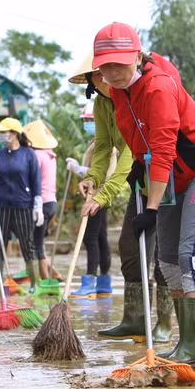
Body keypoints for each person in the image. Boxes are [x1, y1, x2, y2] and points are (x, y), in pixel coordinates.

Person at [92, 22, 195, 368]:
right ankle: (186, 345)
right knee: (167, 262)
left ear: (137, 56)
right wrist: (139, 163)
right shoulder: (118, 93)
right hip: (170, 178)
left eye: (120, 63)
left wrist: (151, 209)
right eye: (106, 65)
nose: (113, 72)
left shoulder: (159, 88)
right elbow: (139, 140)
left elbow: (165, 148)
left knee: (190, 258)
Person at [68, 52, 174, 344]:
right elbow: (103, 147)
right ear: (92, 79)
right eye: (101, 73)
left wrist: (104, 196)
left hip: (166, 181)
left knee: (163, 253)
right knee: (130, 246)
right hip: (139, 182)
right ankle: (137, 319)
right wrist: (92, 178)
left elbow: (130, 153)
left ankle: (164, 323)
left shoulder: (137, 95)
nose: (109, 77)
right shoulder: (103, 103)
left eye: (114, 69)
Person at [66, 100, 114, 296]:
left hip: (99, 196)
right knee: (101, 237)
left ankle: (89, 283)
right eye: (85, 120)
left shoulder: (107, 144)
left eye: (89, 120)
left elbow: (107, 174)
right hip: (96, 195)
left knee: (91, 237)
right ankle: (103, 283)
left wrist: (78, 169)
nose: (87, 123)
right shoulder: (94, 142)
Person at [0, 117, 45, 292]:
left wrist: (38, 204)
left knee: (27, 243)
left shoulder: (28, 154)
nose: (1, 136)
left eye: (3, 133)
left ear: (14, 134)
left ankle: (35, 283)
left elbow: (36, 180)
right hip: (1, 205)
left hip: (23, 204)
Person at [23, 119, 62, 281]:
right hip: (51, 202)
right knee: (39, 242)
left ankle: (45, 281)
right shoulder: (50, 155)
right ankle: (55, 273)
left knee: (35, 244)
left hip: (40, 203)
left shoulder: (35, 155)